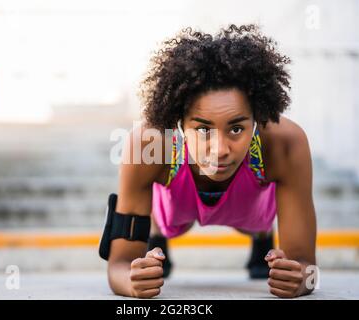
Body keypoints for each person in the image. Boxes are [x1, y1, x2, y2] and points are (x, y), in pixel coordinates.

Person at [101, 24, 317, 299]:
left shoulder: (285, 142)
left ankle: (262, 237)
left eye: (236, 129)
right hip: (175, 206)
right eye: (203, 130)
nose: (220, 150)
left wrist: (298, 279)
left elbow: (308, 269)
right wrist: (132, 280)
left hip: (249, 206)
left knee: (257, 220)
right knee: (161, 216)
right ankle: (157, 240)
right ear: (179, 122)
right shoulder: (148, 143)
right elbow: (118, 266)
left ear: (257, 117)